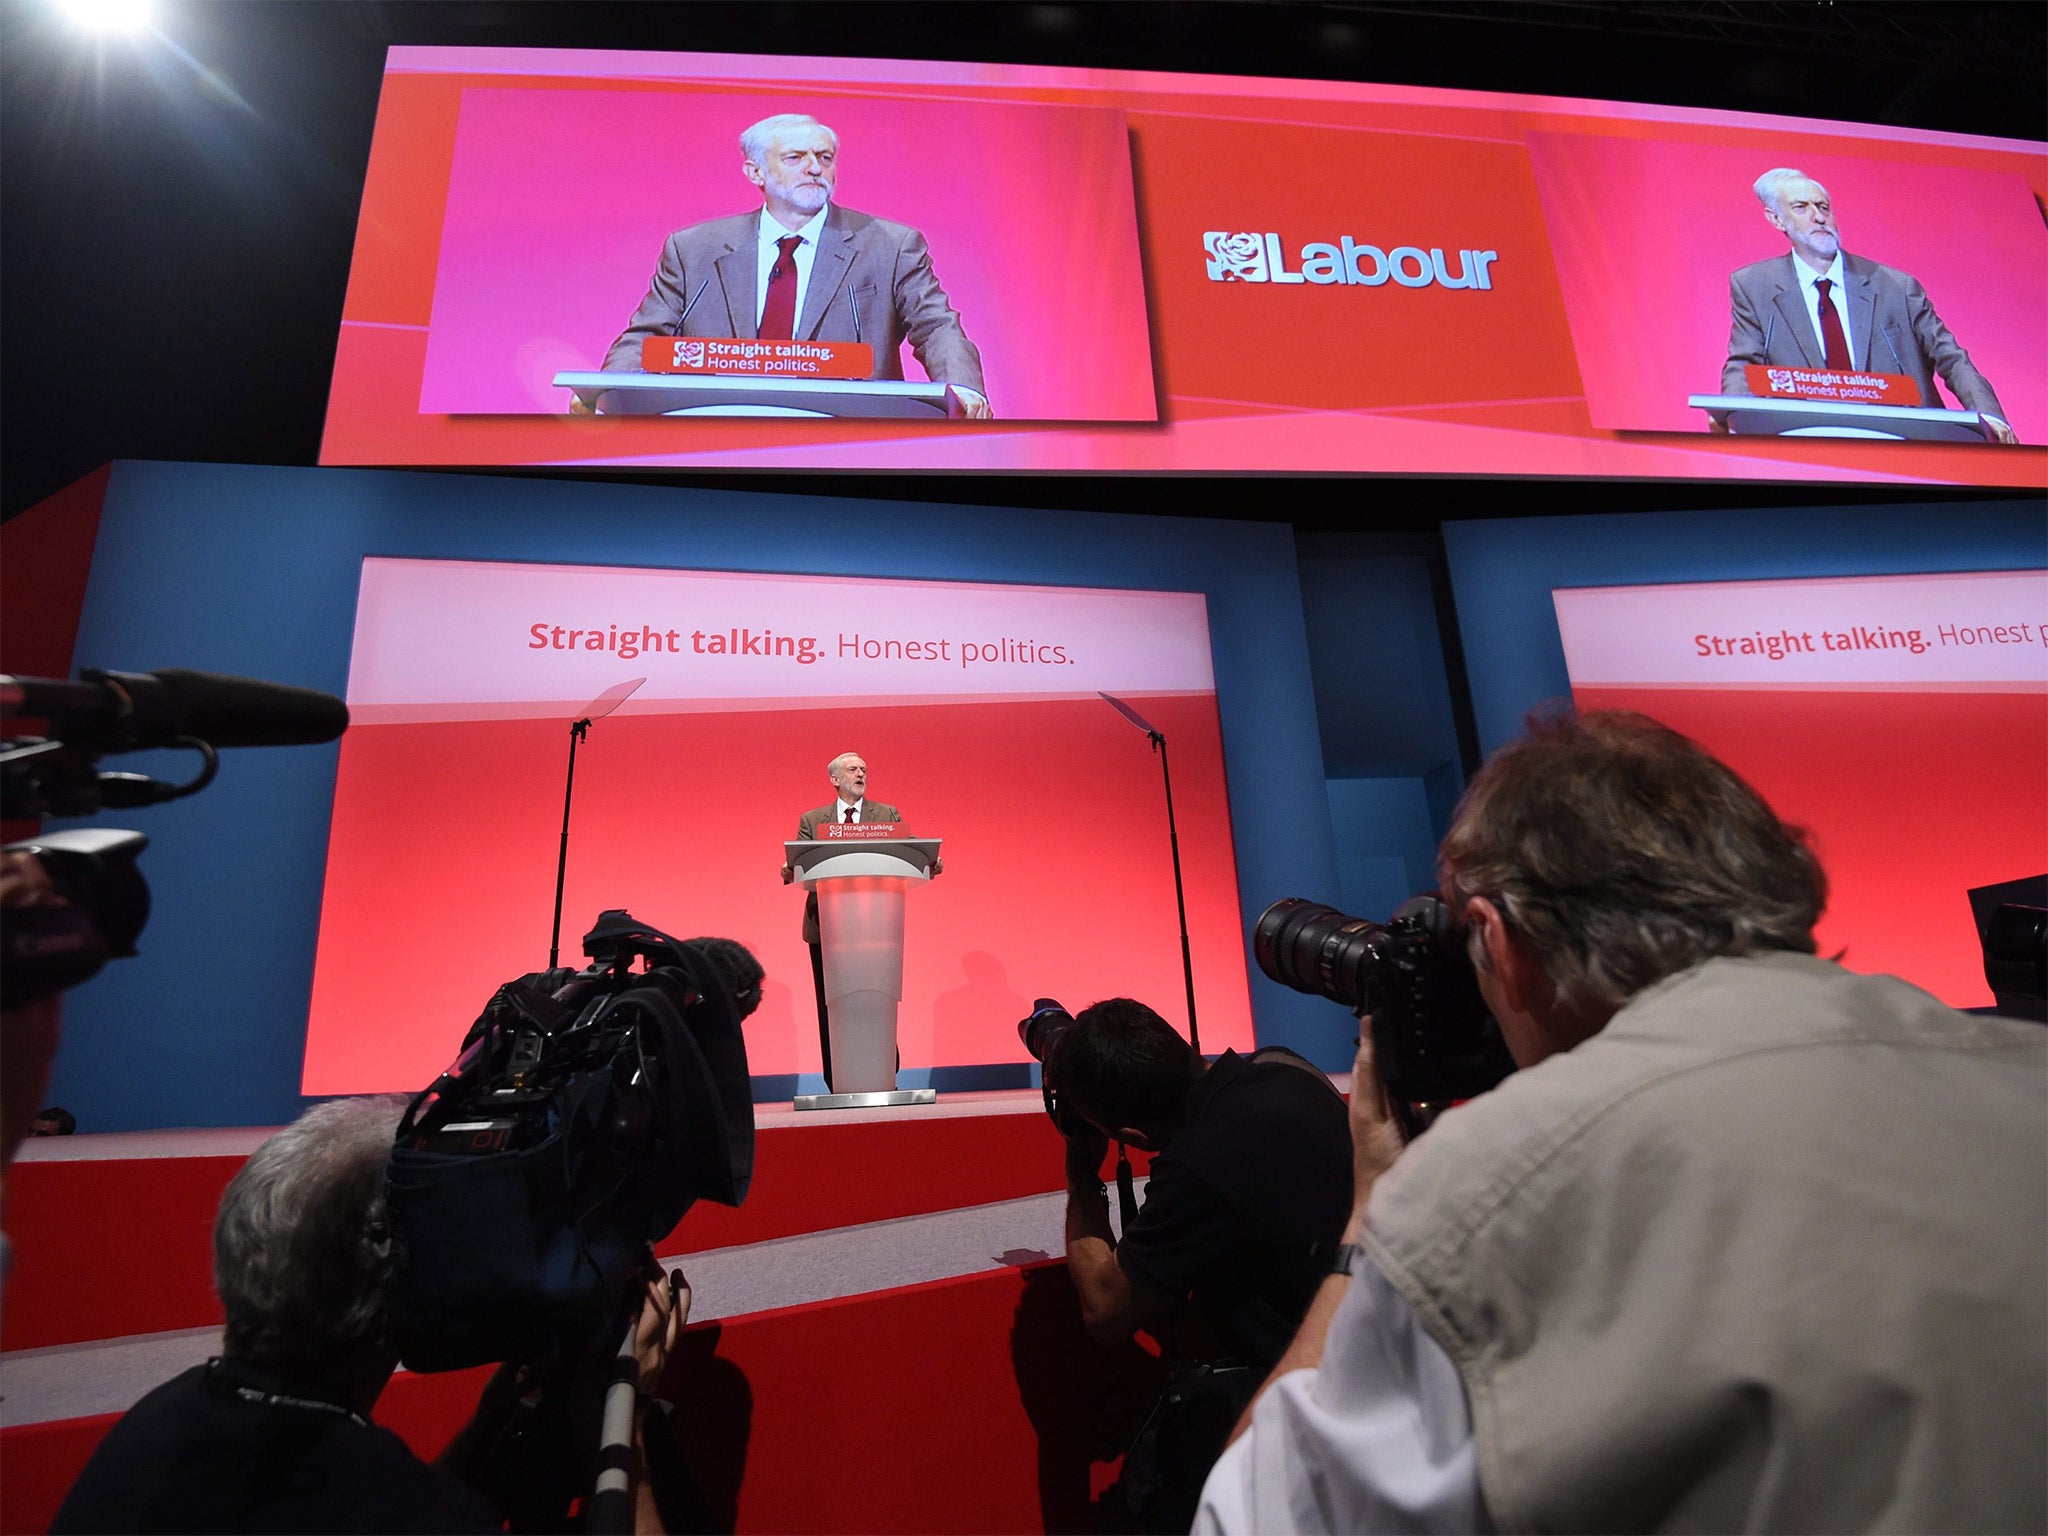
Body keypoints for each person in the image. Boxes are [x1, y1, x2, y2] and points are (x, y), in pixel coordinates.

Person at [1197, 710, 2047, 1534]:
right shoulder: (2022, 1067)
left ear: (1496, 937)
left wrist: (1371, 1211)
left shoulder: (1488, 1188)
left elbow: (1255, 1518)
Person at [53, 1097, 689, 1534]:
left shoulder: (162, 1417)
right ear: (416, 1281)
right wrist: (622, 1427)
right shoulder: (403, 1509)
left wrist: (484, 1430)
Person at [1048, 997, 1352, 1530]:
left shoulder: (1203, 1164)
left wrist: (1080, 1177)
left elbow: (1104, 1309)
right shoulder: (1285, 1068)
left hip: (1330, 1418)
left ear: (1134, 1138)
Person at [583, 112, 991, 418]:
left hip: (850, 440)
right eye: (796, 157)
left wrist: (964, 389)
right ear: (755, 171)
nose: (815, 168)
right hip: (716, 432)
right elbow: (647, 334)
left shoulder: (889, 245)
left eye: (825, 157)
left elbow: (937, 326)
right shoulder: (694, 249)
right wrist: (606, 393)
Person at [1718, 166, 2016, 442]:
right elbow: (1744, 363)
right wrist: (1735, 417)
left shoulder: (1896, 286)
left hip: (1907, 441)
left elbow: (1951, 358)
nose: (1818, 217)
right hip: (1810, 443)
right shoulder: (1754, 285)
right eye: (1801, 207)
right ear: (1776, 219)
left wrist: (1989, 417)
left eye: (1823, 207)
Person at [782, 750, 905, 1092]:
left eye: (864, 768)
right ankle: (837, 1080)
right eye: (852, 769)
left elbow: (907, 849)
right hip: (828, 926)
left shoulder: (886, 813)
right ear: (835, 779)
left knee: (875, 999)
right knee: (831, 1004)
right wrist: (790, 868)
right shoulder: (812, 818)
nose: (860, 774)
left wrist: (929, 860)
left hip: (876, 928)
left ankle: (884, 1075)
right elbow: (801, 861)